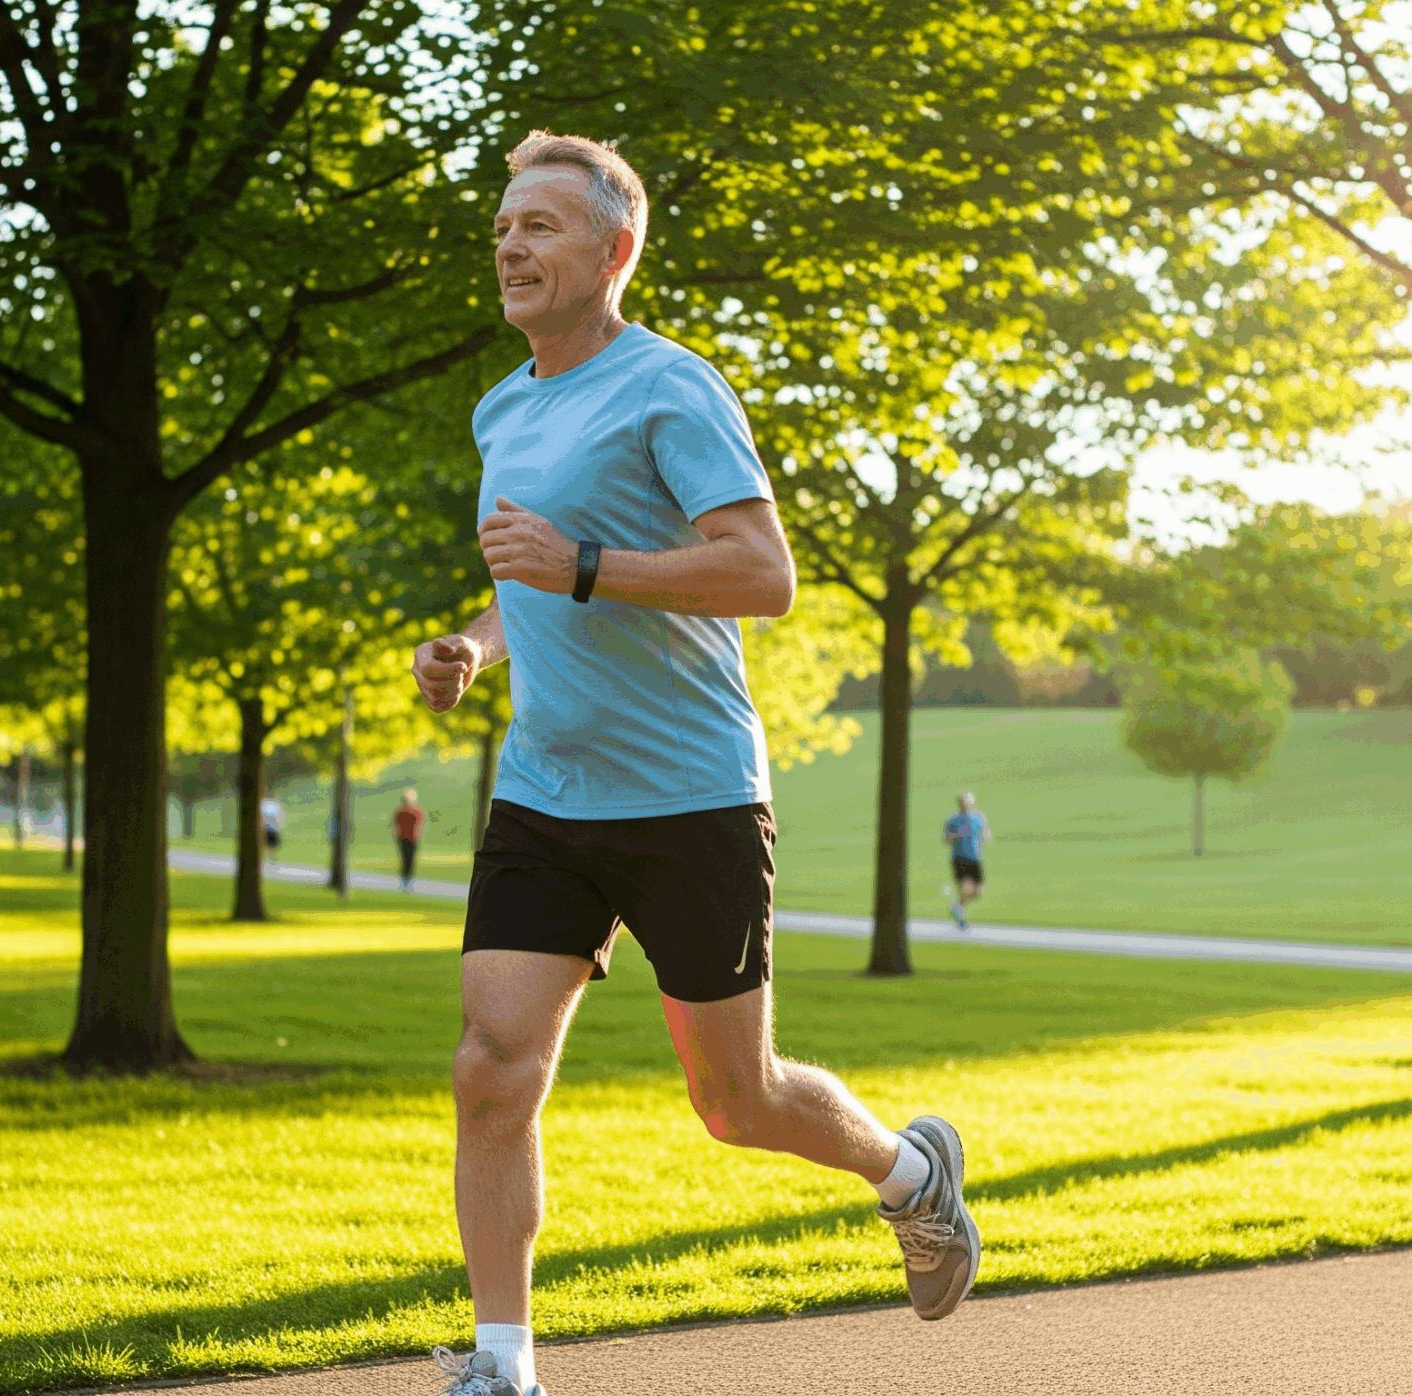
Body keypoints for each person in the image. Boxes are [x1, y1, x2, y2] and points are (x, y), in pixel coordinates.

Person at [407, 130, 982, 1396]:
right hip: (546, 789)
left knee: (734, 1101)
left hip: (692, 798)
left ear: (614, 252)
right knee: (489, 1067)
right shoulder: (503, 405)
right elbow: (532, 579)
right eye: (503, 225)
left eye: (542, 225)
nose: (510, 245)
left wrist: (587, 567)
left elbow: (762, 574)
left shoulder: (673, 388)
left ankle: (908, 1174)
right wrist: (477, 642)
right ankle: (502, 1365)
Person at [943, 792, 990, 931]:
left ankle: (957, 907)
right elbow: (946, 839)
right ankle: (961, 918)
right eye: (962, 802)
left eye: (967, 801)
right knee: (964, 887)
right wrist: (956, 835)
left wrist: (984, 839)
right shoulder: (954, 820)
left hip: (975, 856)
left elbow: (984, 833)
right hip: (960, 857)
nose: (965, 804)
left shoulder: (978, 817)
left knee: (978, 891)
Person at [393, 789, 428, 891]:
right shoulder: (400, 812)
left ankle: (409, 881)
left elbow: (420, 824)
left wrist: (419, 834)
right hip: (403, 838)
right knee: (405, 859)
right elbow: (396, 825)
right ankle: (405, 881)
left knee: (411, 860)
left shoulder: (417, 811)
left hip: (413, 838)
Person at [259, 795, 284, 867]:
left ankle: (267, 860)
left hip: (267, 828)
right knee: (271, 846)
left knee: (267, 845)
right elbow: (280, 816)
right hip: (272, 828)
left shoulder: (264, 803)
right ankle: (271, 860)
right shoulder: (275, 804)